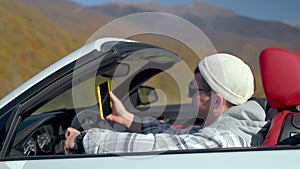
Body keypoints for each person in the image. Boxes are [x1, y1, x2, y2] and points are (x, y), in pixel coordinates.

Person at [64, 53, 268, 154]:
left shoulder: (220, 142)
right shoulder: (230, 129)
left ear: (216, 101)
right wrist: (128, 119)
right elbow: (181, 136)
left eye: (193, 89)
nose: (189, 94)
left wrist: (83, 139)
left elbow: (156, 147)